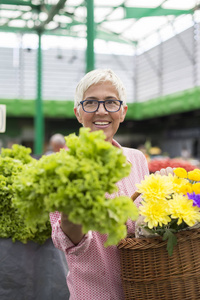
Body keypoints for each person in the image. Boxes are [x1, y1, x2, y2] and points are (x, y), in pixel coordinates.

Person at [49, 69, 172, 300]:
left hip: (144, 291)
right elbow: (69, 243)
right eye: (91, 103)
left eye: (111, 102)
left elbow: (146, 225)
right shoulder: (61, 167)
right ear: (78, 113)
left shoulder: (136, 159)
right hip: (95, 294)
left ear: (122, 112)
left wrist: (166, 194)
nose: (101, 111)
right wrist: (72, 213)